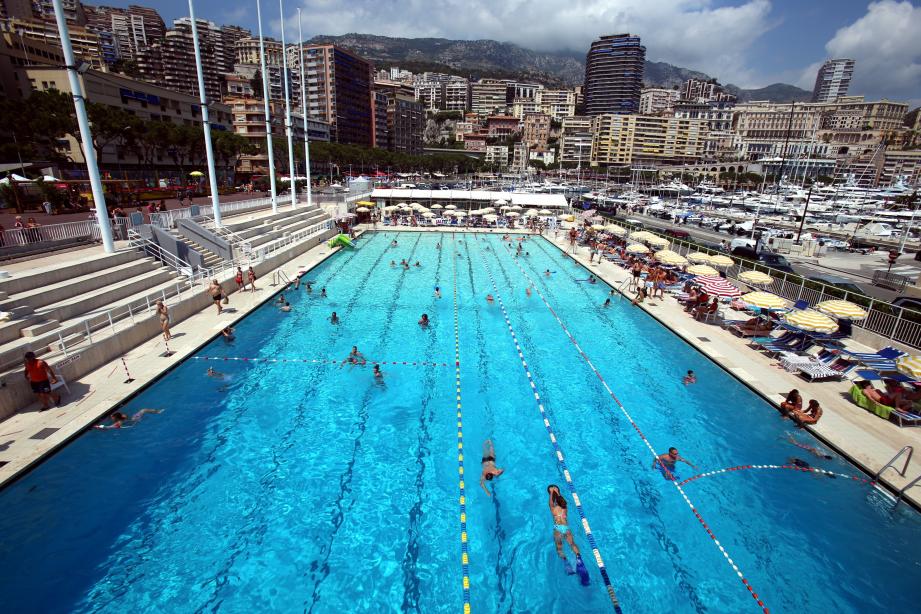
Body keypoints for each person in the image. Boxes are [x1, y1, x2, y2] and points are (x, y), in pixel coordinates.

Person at [547, 485, 589, 584]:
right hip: (566, 528)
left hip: (558, 529)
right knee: (572, 544)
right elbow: (562, 500)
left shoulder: (553, 508)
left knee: (559, 548)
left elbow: (550, 503)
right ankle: (578, 558)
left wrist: (552, 493)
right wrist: (557, 492)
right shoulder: (564, 507)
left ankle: (566, 561)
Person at [94, 408, 162, 430]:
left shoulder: (119, 422)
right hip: (134, 418)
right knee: (143, 410)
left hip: (135, 420)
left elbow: (108, 427)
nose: (111, 418)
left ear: (116, 418)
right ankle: (158, 412)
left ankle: (158, 412)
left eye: (112, 417)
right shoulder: (123, 416)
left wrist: (99, 426)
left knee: (143, 410)